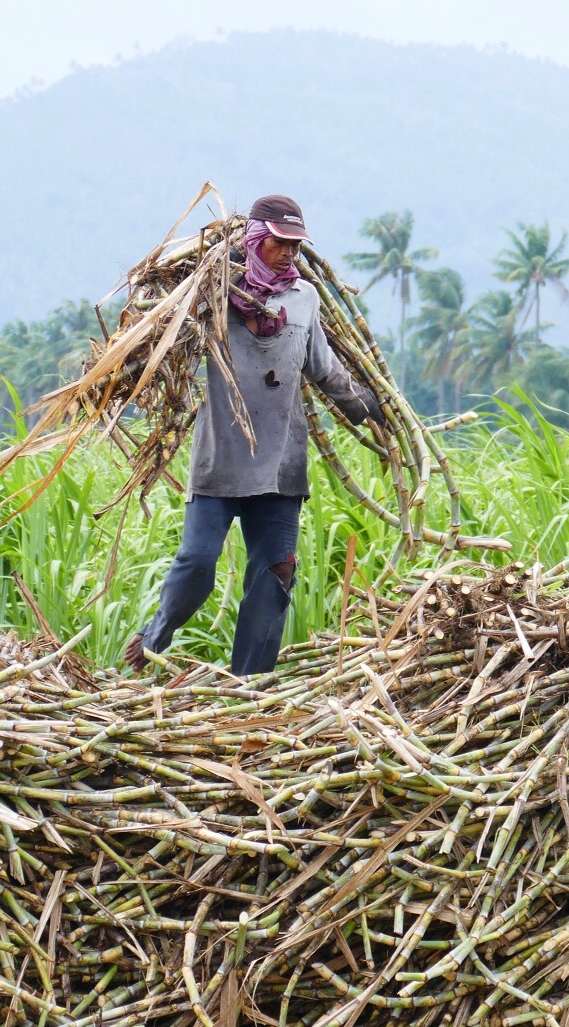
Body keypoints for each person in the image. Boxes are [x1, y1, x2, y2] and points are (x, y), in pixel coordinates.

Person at [125, 194, 382, 678]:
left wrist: (366, 406)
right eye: (280, 245)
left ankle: (250, 685)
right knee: (197, 563)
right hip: (221, 459)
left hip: (282, 466)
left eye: (296, 246)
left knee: (276, 576)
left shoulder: (304, 297)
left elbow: (322, 367)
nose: (289, 254)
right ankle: (156, 632)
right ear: (256, 241)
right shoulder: (212, 293)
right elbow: (162, 342)